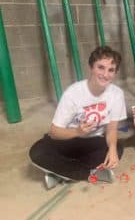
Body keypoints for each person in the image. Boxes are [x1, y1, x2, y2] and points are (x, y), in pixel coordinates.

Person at [29, 46, 127, 189]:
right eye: (101, 67)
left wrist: (112, 149)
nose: (105, 74)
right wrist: (78, 132)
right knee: (38, 152)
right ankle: (89, 173)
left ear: (115, 73)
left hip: (93, 142)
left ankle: (60, 174)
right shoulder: (73, 93)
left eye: (111, 70)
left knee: (117, 148)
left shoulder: (117, 94)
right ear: (91, 67)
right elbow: (55, 132)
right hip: (68, 140)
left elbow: (111, 130)